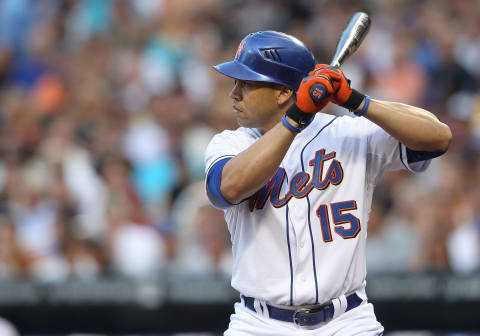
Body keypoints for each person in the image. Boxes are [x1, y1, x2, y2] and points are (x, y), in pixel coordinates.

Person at [204, 31, 451, 335]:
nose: (234, 93)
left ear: (283, 93)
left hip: (346, 321)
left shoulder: (350, 134)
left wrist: (356, 100)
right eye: (235, 82)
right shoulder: (230, 144)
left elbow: (438, 138)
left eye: (248, 83)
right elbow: (226, 189)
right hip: (258, 323)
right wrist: (296, 117)